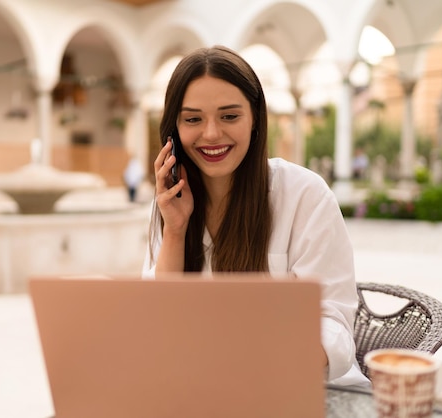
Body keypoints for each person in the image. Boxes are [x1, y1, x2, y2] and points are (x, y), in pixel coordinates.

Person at [143, 45, 370, 387]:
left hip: (305, 390)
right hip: (207, 391)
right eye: (193, 119)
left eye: (229, 116)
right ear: (174, 131)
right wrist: (175, 230)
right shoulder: (168, 204)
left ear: (255, 121)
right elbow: (158, 325)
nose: (211, 134)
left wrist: (260, 362)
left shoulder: (304, 195)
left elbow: (334, 326)